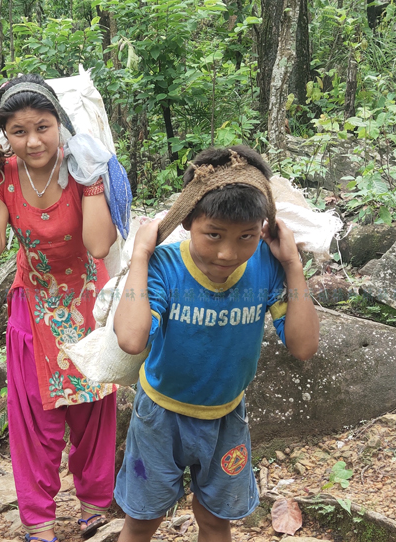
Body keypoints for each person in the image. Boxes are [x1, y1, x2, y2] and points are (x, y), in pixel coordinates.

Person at [111, 146, 321, 542]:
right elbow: (131, 337)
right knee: (141, 520)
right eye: (214, 234)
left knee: (214, 520)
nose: (228, 252)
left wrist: (293, 264)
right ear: (188, 221)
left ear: (264, 227)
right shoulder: (166, 267)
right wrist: (141, 254)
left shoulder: (266, 265)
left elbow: (304, 345)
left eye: (246, 236)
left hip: (226, 418)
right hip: (160, 417)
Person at [0, 74, 119, 542]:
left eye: (43, 126)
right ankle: (38, 521)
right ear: (3, 137)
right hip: (32, 309)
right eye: (18, 131)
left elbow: (97, 244)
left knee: (94, 408)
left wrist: (92, 182)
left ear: (61, 125)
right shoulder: (8, 178)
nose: (32, 141)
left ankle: (95, 506)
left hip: (87, 306)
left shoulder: (82, 169)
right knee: (36, 420)